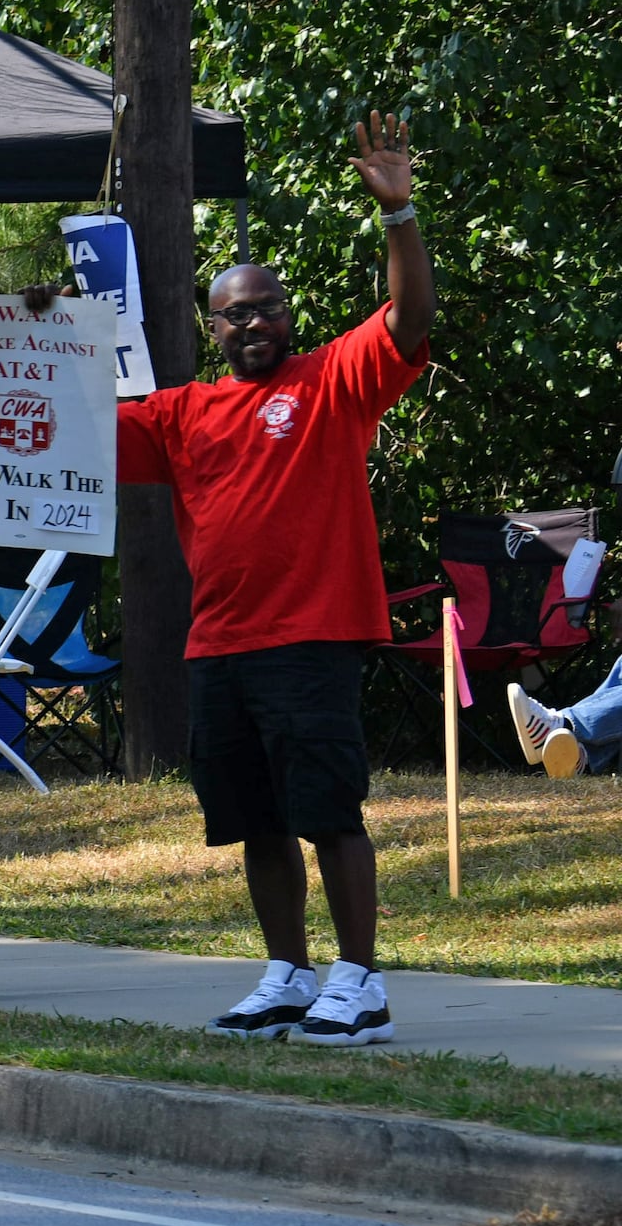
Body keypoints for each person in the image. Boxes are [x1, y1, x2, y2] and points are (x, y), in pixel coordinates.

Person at [122, 115, 432, 1047]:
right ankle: (289, 974)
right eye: (234, 311)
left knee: (330, 813)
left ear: (288, 315)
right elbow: (58, 426)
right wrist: (38, 327)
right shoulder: (180, 412)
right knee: (255, 824)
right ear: (209, 325)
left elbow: (411, 321)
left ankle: (360, 982)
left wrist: (399, 213)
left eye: (266, 306)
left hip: (313, 637)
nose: (252, 321)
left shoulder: (332, 380)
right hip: (220, 646)